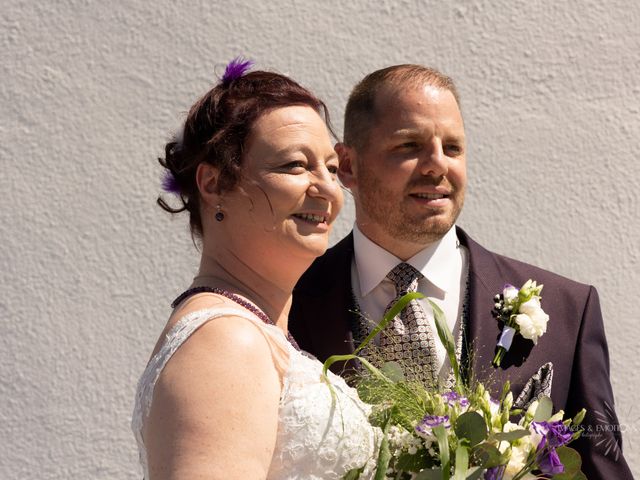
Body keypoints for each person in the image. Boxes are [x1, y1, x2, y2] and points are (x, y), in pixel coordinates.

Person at [289, 64, 633, 479]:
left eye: (452, 148)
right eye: (410, 146)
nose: (437, 166)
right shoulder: (288, 299)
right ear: (347, 166)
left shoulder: (567, 311)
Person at [131, 60, 379, 479]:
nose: (327, 189)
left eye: (332, 169)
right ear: (214, 185)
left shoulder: (256, 330)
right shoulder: (226, 341)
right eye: (294, 166)